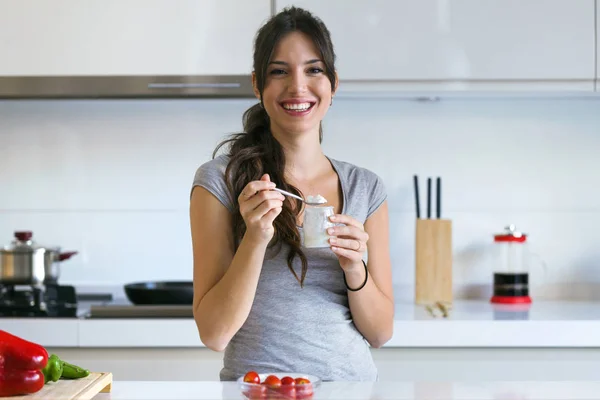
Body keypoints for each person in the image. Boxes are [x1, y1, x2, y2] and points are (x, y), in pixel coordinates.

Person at [189, 6, 394, 382]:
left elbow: (380, 333)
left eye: (313, 70)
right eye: (279, 71)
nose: (298, 86)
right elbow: (214, 333)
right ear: (257, 84)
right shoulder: (221, 181)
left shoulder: (366, 187)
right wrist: (254, 239)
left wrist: (354, 267)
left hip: (349, 389)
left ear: (333, 83)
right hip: (256, 391)